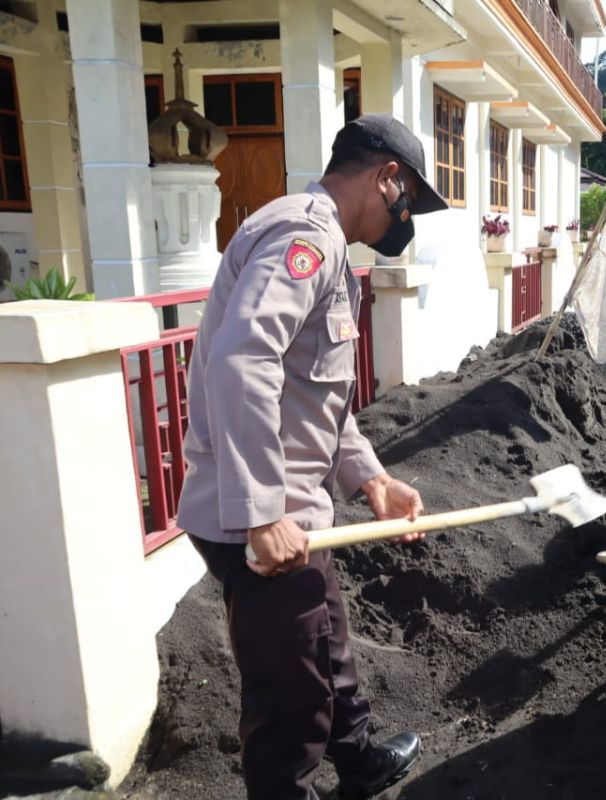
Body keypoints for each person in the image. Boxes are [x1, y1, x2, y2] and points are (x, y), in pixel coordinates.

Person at [176, 114, 449, 800]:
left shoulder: (327, 244)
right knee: (290, 701)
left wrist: (373, 479)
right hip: (260, 518)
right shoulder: (305, 238)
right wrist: (262, 512)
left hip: (296, 507)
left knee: (327, 641)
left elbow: (312, 398)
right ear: (387, 177)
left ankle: (358, 763)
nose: (406, 215)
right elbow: (244, 360)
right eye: (409, 196)